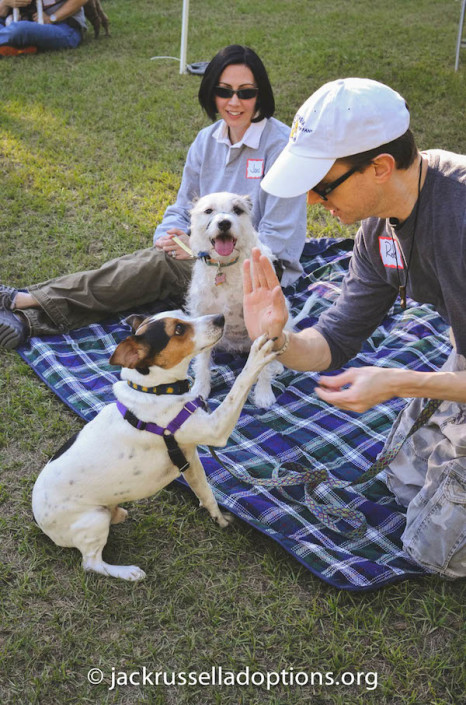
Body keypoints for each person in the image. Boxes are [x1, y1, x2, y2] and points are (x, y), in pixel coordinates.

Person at [243, 77, 466, 579]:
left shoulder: (461, 220)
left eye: (323, 186)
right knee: (403, 482)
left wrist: (398, 382)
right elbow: (335, 340)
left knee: (433, 551)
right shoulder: (380, 226)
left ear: (381, 167)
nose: (316, 203)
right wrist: (277, 340)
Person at [0, 44, 306, 347]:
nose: (234, 101)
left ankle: (24, 299)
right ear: (211, 93)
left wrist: (201, 252)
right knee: (142, 275)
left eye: (246, 92)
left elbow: (279, 240)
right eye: (224, 91)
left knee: (152, 268)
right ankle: (27, 319)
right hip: (207, 261)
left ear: (260, 94)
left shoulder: (280, 147)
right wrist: (167, 238)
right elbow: (182, 207)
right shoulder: (206, 140)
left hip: (259, 269)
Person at [0, 1, 87, 56]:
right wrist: (5, 3)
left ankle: (12, 43)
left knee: (21, 29)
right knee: (19, 28)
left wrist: (52, 18)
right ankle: (19, 46)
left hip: (63, 26)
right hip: (24, 20)